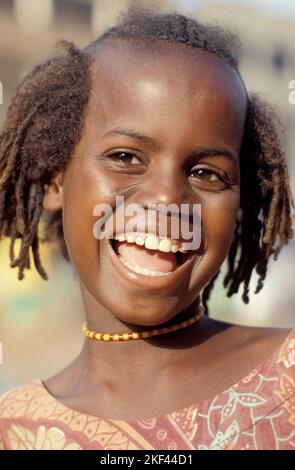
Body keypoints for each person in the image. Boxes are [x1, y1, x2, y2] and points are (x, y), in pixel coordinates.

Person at [0, 5, 294, 451]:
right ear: (54, 178)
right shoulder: (15, 429)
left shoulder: (287, 379)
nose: (166, 199)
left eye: (206, 174)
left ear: (240, 207)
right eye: (125, 157)